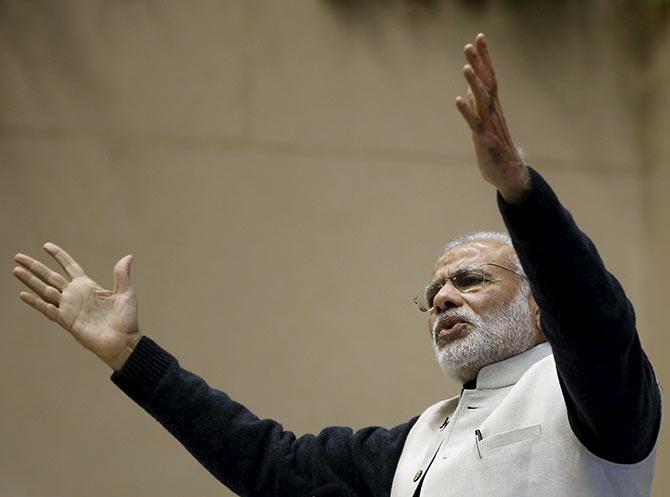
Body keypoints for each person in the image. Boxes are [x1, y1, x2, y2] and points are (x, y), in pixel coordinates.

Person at [13, 33, 662, 497]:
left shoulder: (596, 400)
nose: (441, 297)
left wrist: (520, 192)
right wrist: (134, 356)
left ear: (539, 305)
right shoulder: (415, 443)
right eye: (433, 289)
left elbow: (594, 316)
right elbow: (273, 462)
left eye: (469, 279)